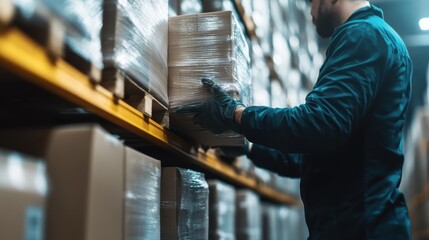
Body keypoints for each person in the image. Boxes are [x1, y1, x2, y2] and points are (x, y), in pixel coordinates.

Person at [178, 0, 413, 239]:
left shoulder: (364, 35)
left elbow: (320, 124)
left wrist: (237, 115)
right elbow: (313, 155)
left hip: (361, 229)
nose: (310, 10)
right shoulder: (372, 36)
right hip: (358, 225)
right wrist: (248, 146)